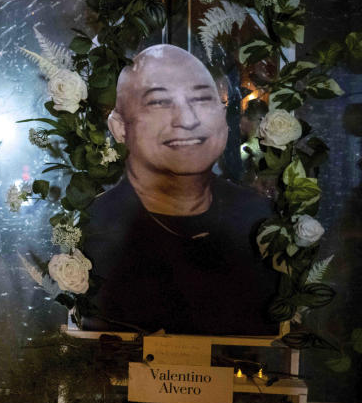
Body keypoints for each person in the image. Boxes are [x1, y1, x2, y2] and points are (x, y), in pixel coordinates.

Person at [83, 44, 279, 335]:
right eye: (160, 102)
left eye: (201, 100)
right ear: (120, 127)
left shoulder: (255, 216)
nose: (188, 120)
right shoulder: (97, 225)